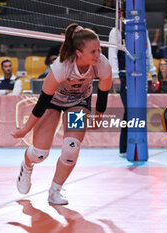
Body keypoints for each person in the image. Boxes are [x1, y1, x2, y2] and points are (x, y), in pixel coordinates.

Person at [11, 24, 112, 205]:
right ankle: (26, 166)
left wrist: (98, 116)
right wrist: (25, 129)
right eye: (93, 51)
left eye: (100, 49)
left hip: (78, 103)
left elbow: (103, 92)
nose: (98, 55)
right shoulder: (61, 67)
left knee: (71, 147)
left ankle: (54, 191)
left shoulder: (102, 65)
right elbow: (42, 102)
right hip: (52, 103)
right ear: (79, 52)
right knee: (40, 154)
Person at [108, 23, 157, 154]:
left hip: (140, 75)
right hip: (124, 74)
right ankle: (127, 146)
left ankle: (127, 147)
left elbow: (147, 51)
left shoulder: (142, 28)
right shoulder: (116, 30)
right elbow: (112, 54)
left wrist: (153, 72)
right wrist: (115, 75)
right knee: (130, 110)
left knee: (136, 111)